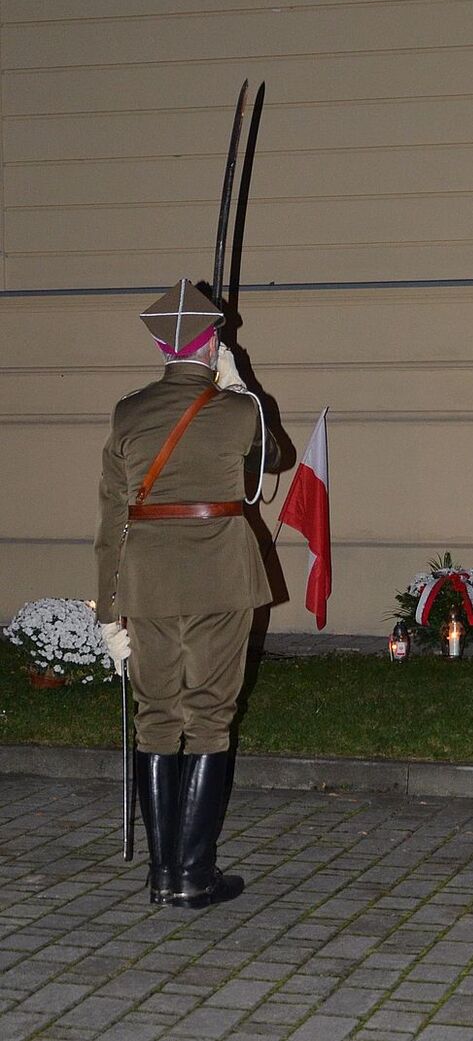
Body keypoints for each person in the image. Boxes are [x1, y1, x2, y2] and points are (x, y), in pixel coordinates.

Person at [95, 278, 276, 909]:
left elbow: (110, 520)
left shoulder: (128, 412)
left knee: (157, 717)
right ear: (214, 342)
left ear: (159, 346)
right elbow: (271, 461)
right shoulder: (237, 410)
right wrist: (237, 384)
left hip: (145, 578)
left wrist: (105, 610)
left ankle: (161, 873)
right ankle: (192, 876)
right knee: (208, 717)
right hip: (220, 576)